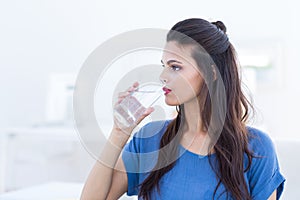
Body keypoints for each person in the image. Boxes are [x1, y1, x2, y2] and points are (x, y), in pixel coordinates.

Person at [80, 18, 285, 200]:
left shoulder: (256, 148)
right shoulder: (150, 140)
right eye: (164, 65)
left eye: (175, 67)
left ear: (210, 72)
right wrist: (119, 133)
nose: (163, 76)